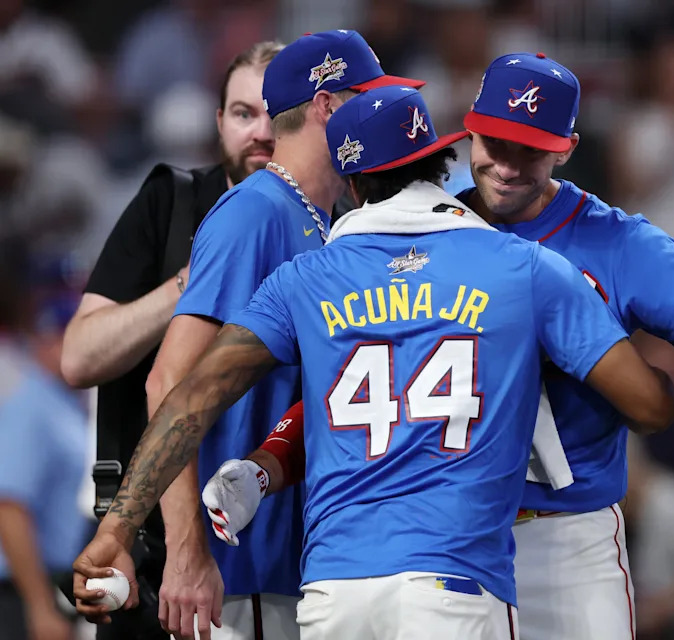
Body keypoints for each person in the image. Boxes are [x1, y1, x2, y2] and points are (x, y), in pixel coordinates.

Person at [203, 52, 674, 640]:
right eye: (494, 142)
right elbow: (365, 389)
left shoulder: (618, 242)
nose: (508, 166)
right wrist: (266, 466)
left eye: (531, 149)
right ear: (468, 132)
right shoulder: (418, 232)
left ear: (566, 148)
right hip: (444, 548)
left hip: (566, 542)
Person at [72, 84, 674, 640]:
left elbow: (187, 400)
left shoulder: (304, 280)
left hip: (335, 592)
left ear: (353, 184)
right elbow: (648, 409)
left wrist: (118, 529)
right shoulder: (522, 267)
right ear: (443, 164)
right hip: (455, 584)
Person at [142, 30, 425, 640]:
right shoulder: (255, 212)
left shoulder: (325, 218)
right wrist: (187, 550)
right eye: (365, 98)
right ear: (327, 106)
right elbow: (168, 379)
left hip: (303, 560)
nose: (379, 113)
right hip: (242, 570)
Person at [58, 39, 283, 640]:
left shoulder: (331, 220)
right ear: (218, 123)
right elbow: (80, 357)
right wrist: (197, 280)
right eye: (242, 113)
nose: (260, 133)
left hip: (285, 546)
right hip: (152, 549)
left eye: (275, 114)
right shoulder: (173, 202)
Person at [0, 242, 89, 640]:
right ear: (48, 338)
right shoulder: (31, 404)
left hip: (55, 584)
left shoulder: (64, 401)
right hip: (20, 594)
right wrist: (38, 605)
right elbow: (10, 507)